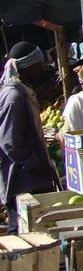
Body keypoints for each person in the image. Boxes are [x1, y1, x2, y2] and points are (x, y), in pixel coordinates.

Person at [0, 42, 59, 233]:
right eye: (38, 65)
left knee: (38, 233)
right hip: (22, 181)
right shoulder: (14, 97)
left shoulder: (21, 92)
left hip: (31, 179)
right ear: (28, 67)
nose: (42, 68)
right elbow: (10, 143)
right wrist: (37, 164)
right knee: (23, 234)